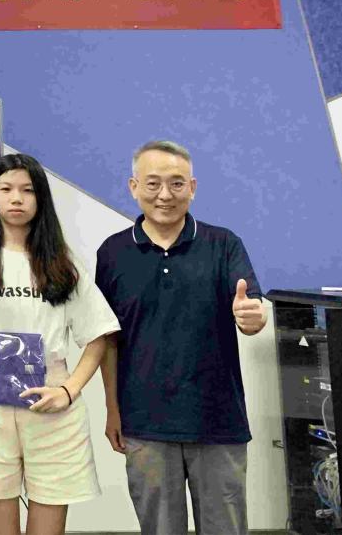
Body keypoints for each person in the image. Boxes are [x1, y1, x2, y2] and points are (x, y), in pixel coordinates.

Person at [0, 153, 120, 535]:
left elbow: (99, 335)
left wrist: (69, 391)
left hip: (52, 400)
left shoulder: (62, 262)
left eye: (27, 190)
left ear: (40, 198)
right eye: (6, 189)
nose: (16, 198)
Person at [96, 140, 266, 535]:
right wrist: (112, 408)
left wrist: (252, 318)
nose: (165, 195)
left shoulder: (224, 244)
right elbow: (106, 340)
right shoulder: (112, 253)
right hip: (145, 424)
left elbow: (251, 312)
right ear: (133, 187)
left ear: (192, 187)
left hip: (217, 421)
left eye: (176, 183)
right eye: (153, 183)